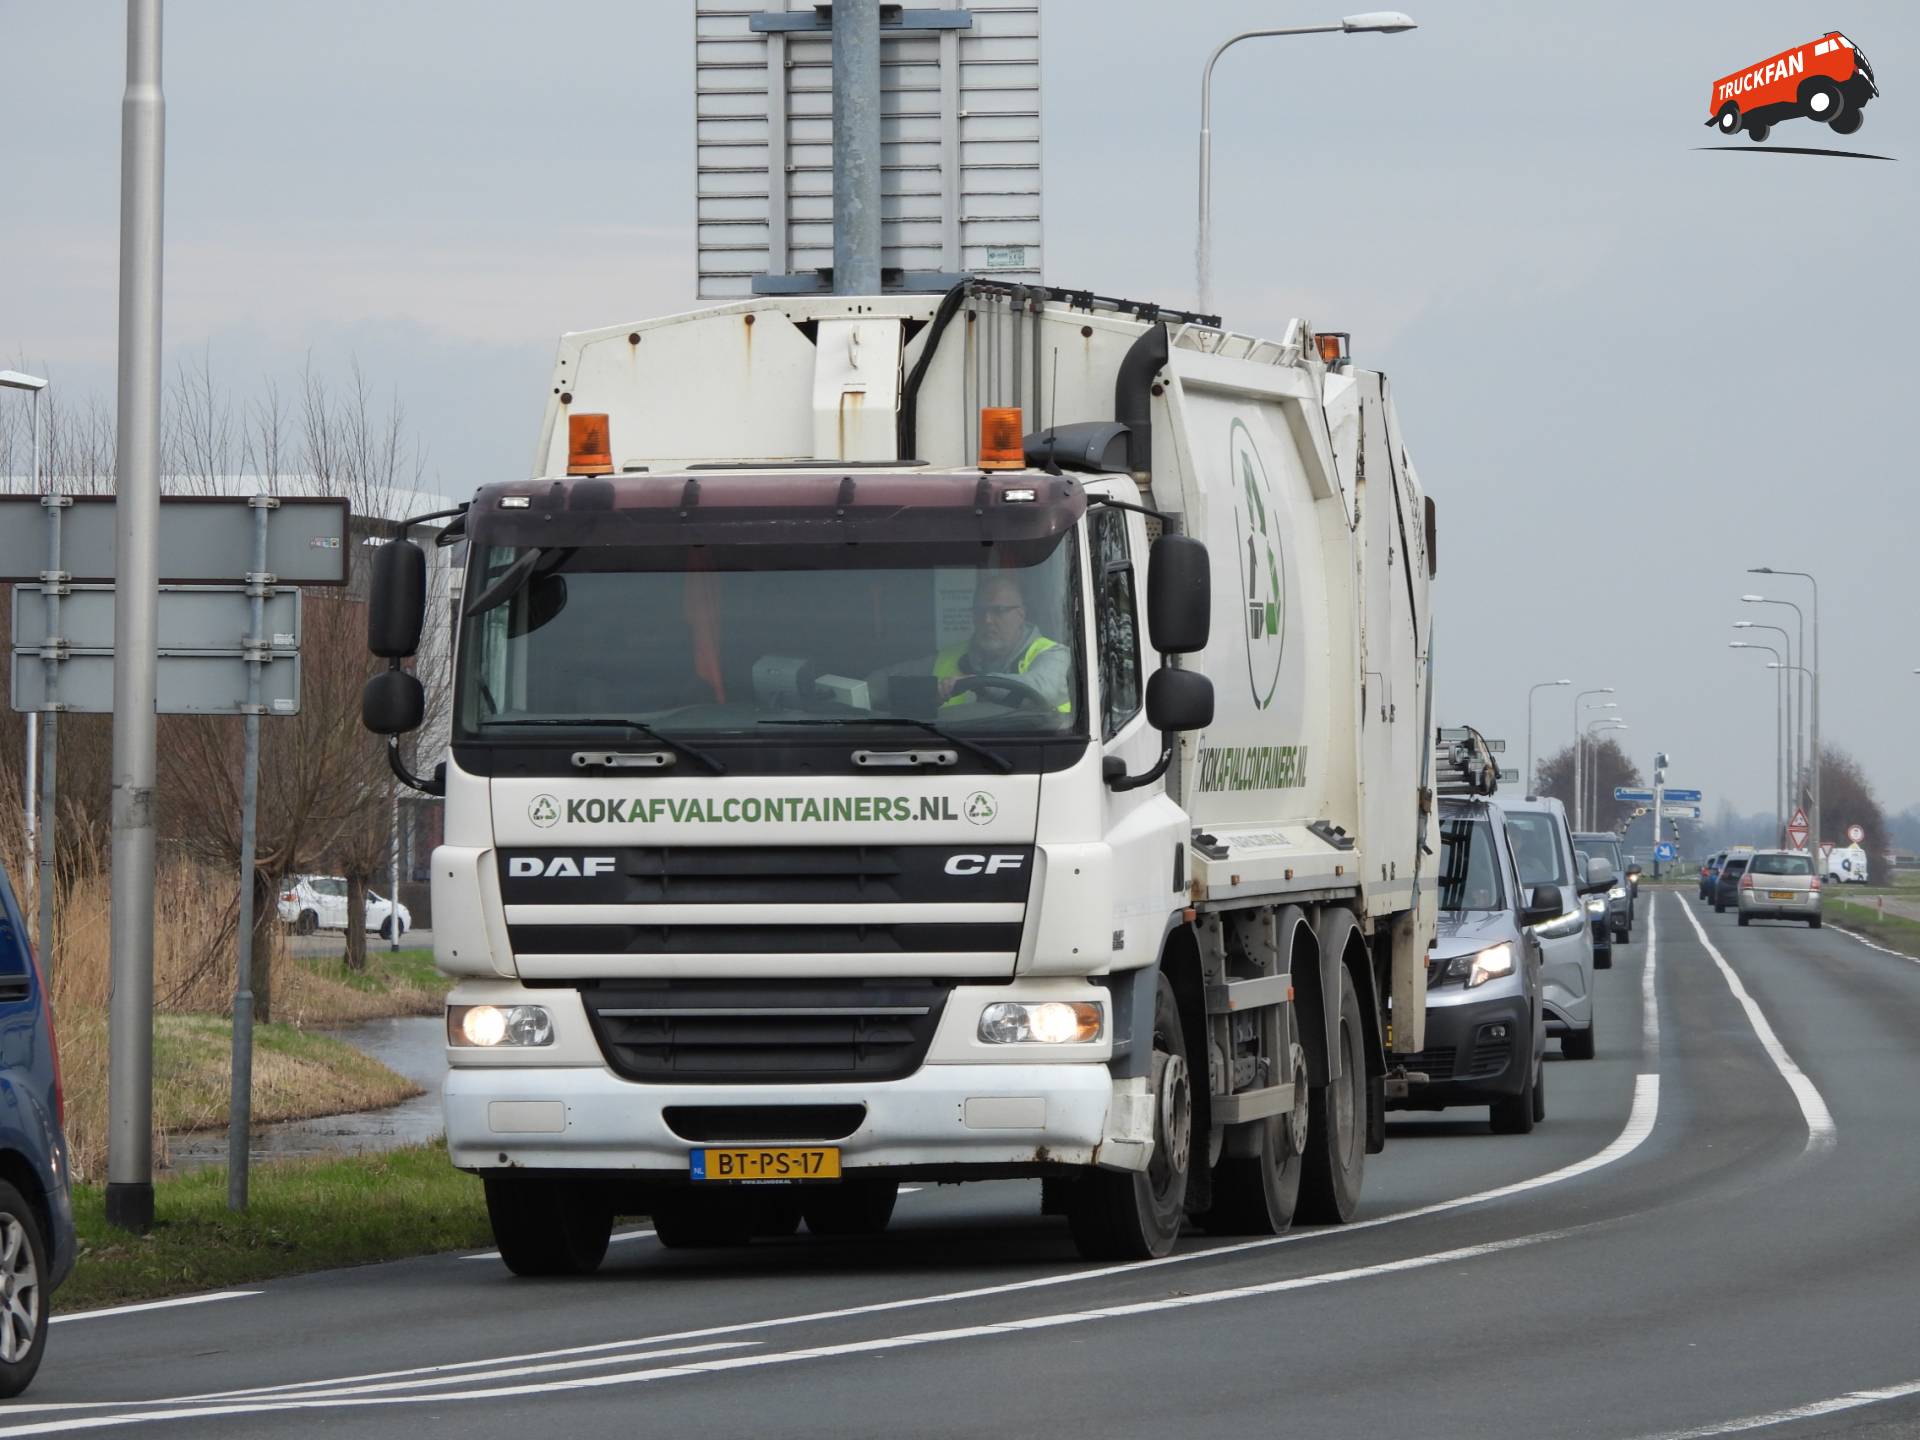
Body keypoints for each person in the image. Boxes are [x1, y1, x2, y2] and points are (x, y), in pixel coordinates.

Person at [929, 573, 1072, 714]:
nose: (987, 620)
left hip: (1042, 737)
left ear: (1021, 614)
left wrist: (977, 682)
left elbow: (1043, 689)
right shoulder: (946, 657)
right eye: (980, 611)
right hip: (945, 737)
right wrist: (929, 699)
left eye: (999, 610)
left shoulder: (1055, 654)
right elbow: (908, 691)